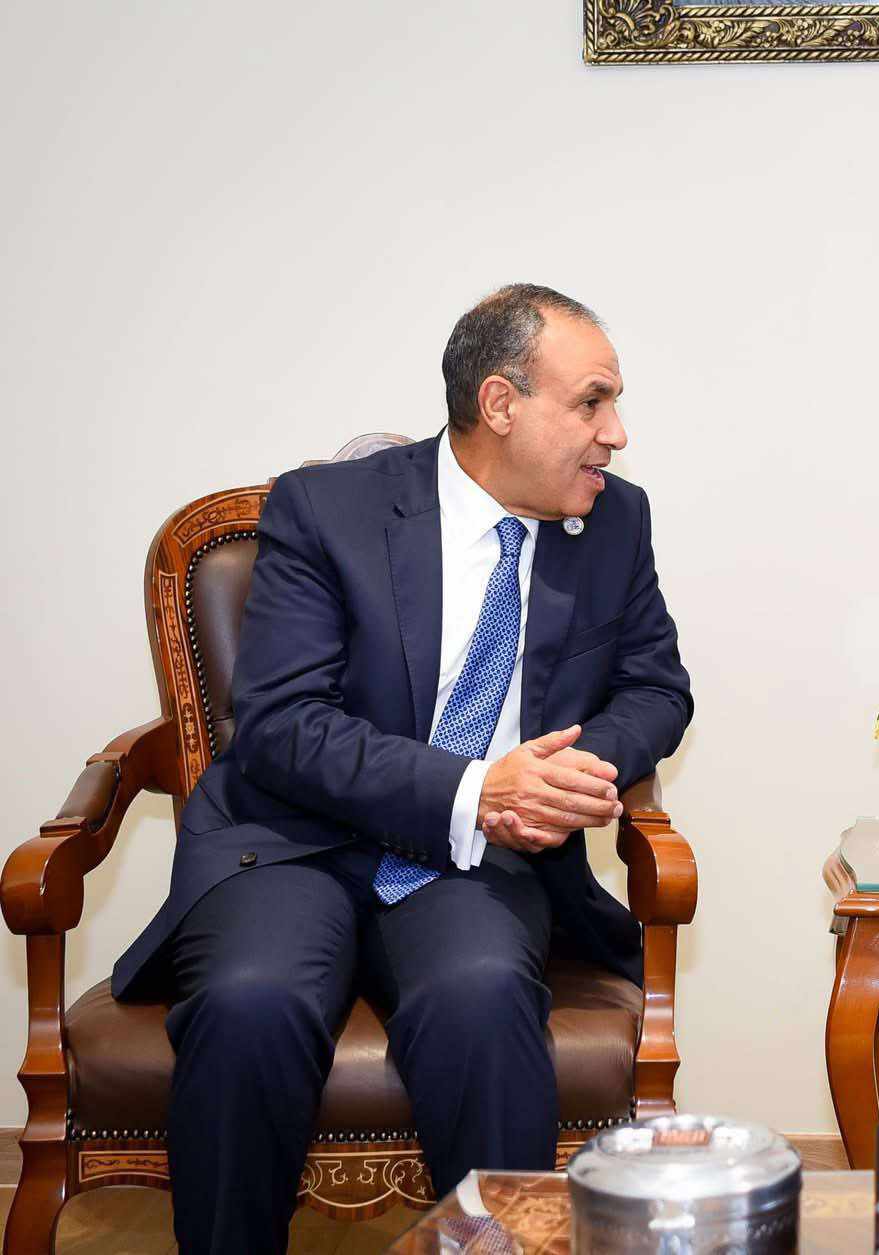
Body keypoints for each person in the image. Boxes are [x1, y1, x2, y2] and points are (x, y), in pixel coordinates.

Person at [110, 284, 693, 1254]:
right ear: (500, 403)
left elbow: (655, 687)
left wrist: (572, 771)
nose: (616, 434)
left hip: (478, 864)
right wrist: (476, 789)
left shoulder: (613, 522)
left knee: (482, 996)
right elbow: (283, 724)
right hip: (294, 843)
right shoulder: (326, 511)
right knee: (251, 1002)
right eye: (591, 402)